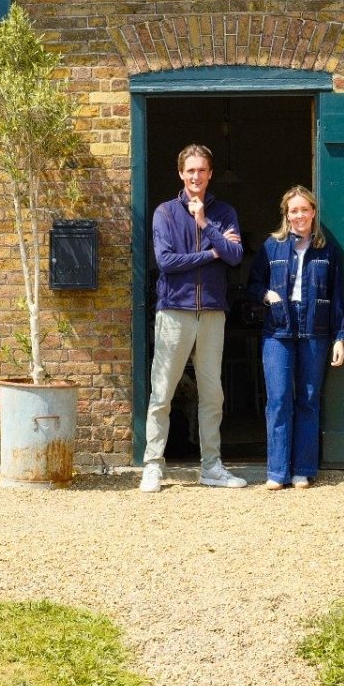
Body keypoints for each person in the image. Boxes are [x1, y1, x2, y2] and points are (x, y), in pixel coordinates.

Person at [142, 144, 246, 492]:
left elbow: (235, 255)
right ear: (180, 173)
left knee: (212, 394)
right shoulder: (165, 213)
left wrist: (205, 225)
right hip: (175, 311)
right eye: (190, 170)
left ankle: (211, 466)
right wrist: (211, 253)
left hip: (212, 312)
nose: (196, 176)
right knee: (162, 392)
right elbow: (166, 262)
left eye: (202, 170)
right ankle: (153, 466)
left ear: (210, 173)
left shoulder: (224, 212)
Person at [246, 185, 344, 490]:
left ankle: (303, 470)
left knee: (308, 400)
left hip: (315, 330)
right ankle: (277, 472)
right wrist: (268, 295)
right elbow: (253, 284)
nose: (299, 215)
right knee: (278, 400)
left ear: (313, 212)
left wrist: (340, 337)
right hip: (278, 329)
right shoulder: (271, 246)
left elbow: (338, 296)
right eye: (294, 210)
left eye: (305, 209)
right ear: (286, 215)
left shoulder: (327, 249)